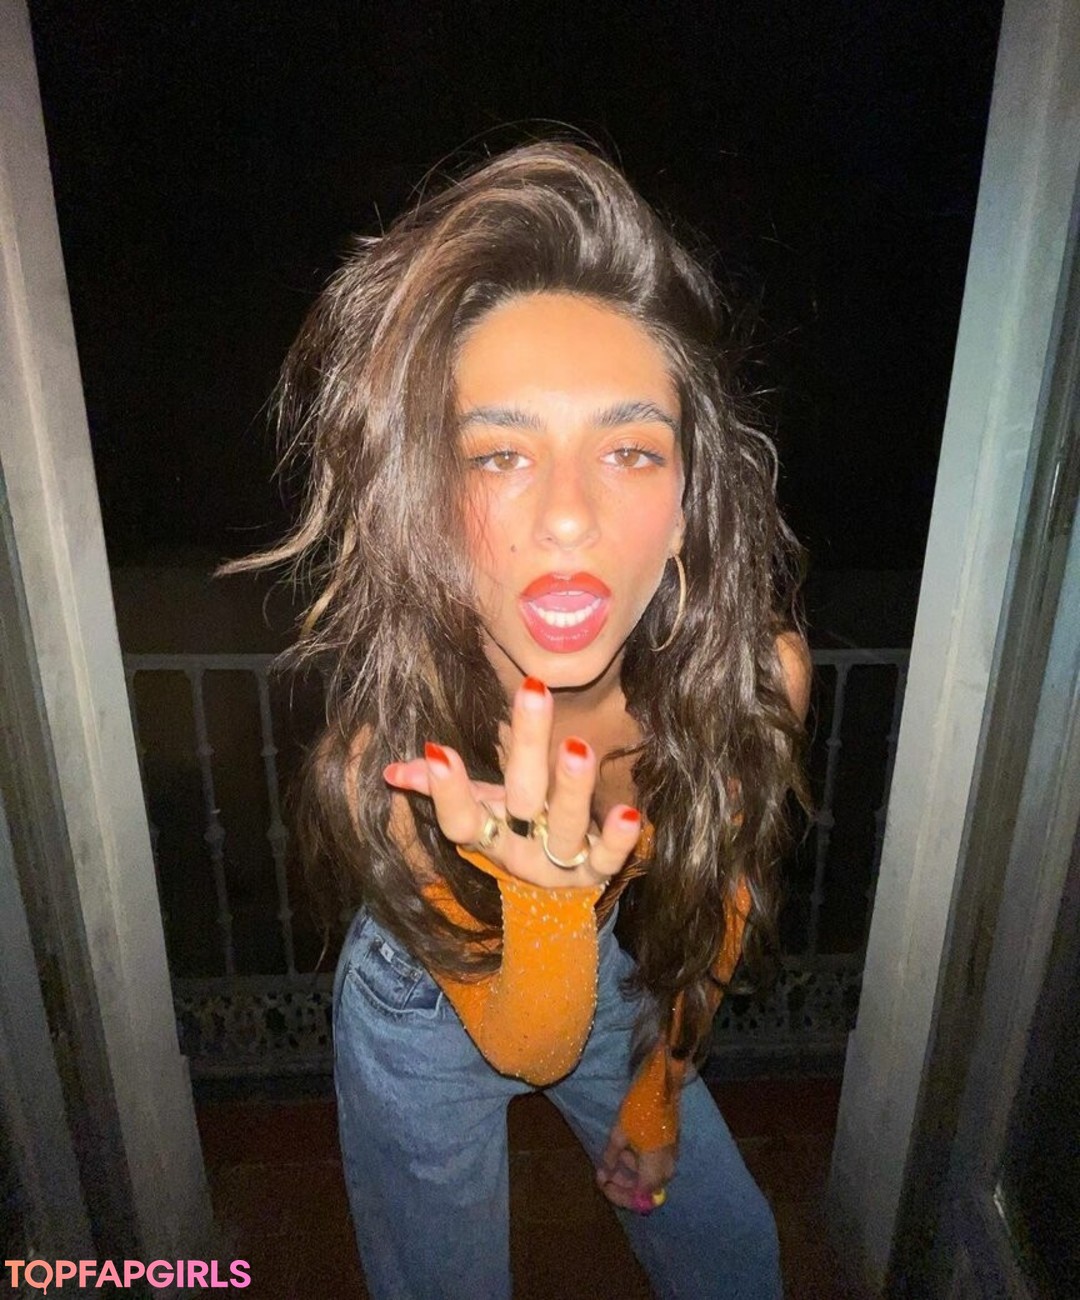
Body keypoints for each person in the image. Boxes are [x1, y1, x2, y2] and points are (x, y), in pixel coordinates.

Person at [221, 139, 811, 1299]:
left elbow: (721, 901)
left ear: (688, 503)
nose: (568, 517)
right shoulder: (394, 761)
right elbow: (525, 1041)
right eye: (499, 454)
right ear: (426, 504)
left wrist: (658, 1095)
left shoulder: (753, 678)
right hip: (426, 1002)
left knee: (736, 1253)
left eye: (630, 449)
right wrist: (543, 896)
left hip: (604, 963)